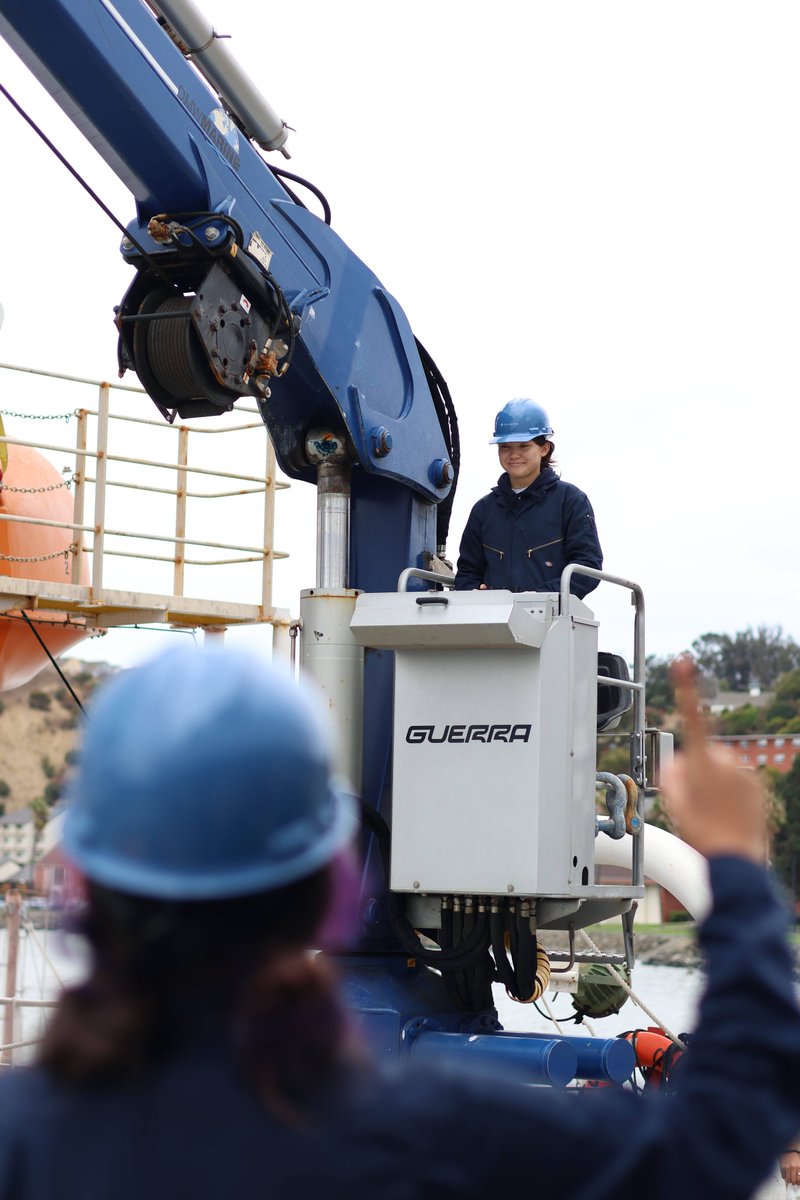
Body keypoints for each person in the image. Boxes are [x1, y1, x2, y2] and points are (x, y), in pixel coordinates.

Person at [0, 646, 799, 1200]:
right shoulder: (419, 1132)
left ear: (79, 888)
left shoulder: (22, 1140)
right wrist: (730, 869)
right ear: (335, 889)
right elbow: (721, 1138)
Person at [455, 398, 603, 596]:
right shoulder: (483, 510)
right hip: (494, 622)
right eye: (505, 447)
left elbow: (587, 567)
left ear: (544, 449)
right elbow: (467, 572)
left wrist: (542, 596)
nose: (514, 454)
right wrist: (473, 593)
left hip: (554, 620)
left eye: (524, 446)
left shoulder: (570, 501)